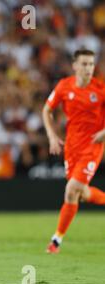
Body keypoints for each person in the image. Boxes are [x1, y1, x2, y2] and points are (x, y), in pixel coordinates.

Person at [42, 49, 105, 254]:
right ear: (75, 65)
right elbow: (46, 110)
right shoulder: (64, 86)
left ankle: (56, 241)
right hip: (72, 146)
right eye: (84, 64)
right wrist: (52, 136)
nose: (88, 68)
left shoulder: (100, 88)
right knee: (82, 193)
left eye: (91, 64)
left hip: (93, 147)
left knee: (71, 189)